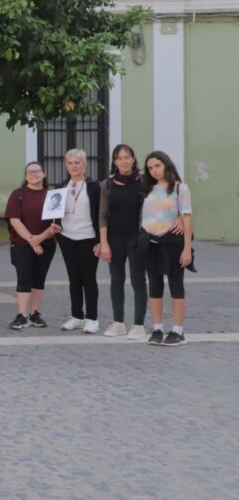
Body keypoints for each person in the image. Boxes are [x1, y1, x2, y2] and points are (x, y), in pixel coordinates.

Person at [140, 151, 193, 347]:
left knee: (176, 287)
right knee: (154, 286)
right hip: (150, 243)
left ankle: (178, 331)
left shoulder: (180, 188)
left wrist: (187, 249)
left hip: (173, 243)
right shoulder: (147, 189)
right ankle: (157, 329)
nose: (154, 170)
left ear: (166, 165)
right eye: (150, 167)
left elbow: (187, 219)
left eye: (157, 166)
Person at [98, 144, 149, 339]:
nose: (124, 161)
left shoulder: (144, 182)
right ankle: (118, 323)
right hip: (114, 239)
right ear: (114, 161)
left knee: (138, 281)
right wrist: (104, 243)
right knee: (116, 280)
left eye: (127, 157)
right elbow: (102, 215)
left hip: (137, 238)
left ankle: (139, 325)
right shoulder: (107, 185)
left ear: (133, 159)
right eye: (119, 158)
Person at [5, 162, 60, 331]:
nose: (33, 174)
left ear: (44, 174)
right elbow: (15, 220)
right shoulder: (18, 194)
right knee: (24, 278)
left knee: (39, 279)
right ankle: (22, 315)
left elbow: (55, 224)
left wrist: (40, 238)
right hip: (22, 244)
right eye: (29, 172)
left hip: (47, 245)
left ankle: (34, 314)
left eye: (37, 171)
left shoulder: (52, 195)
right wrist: (32, 241)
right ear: (25, 175)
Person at [53, 149, 103, 334]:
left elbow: (100, 214)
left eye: (77, 162)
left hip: (88, 237)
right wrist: (56, 226)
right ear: (66, 165)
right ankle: (77, 316)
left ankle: (92, 318)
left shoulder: (94, 186)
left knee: (88, 278)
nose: (73, 166)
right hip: (67, 238)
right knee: (73, 278)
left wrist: (100, 241)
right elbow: (54, 210)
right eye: (70, 163)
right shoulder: (60, 186)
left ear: (85, 164)